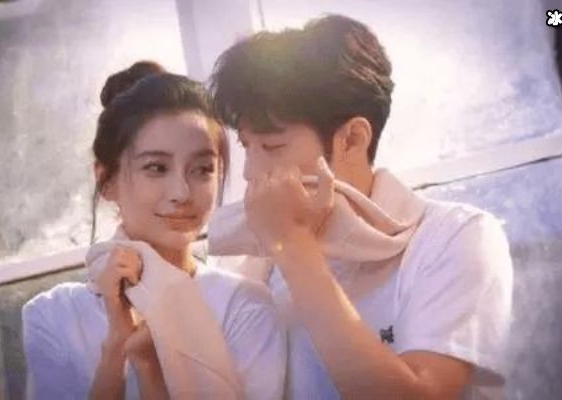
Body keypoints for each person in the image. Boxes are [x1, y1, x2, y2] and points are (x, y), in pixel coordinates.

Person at [208, 14, 513, 399]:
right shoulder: (252, 265)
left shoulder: (452, 236)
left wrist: (294, 246)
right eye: (246, 146)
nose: (251, 172)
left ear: (351, 139)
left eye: (271, 146)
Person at [22, 61, 285, 399]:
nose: (182, 193)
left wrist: (150, 370)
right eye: (157, 168)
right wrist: (117, 345)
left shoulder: (243, 305)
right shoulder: (54, 315)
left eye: (202, 169)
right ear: (106, 180)